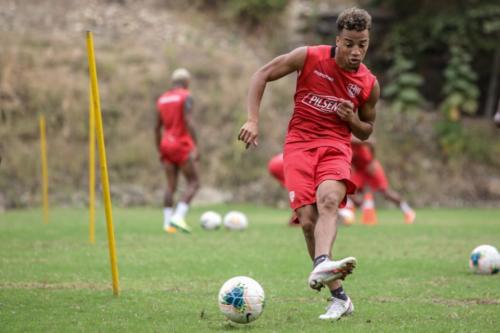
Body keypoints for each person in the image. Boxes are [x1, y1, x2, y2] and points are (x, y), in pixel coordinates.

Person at [238, 7, 379, 320]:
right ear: (337, 39)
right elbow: (261, 74)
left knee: (329, 201)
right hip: (299, 146)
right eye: (349, 43)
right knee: (307, 221)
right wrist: (253, 120)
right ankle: (340, 297)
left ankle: (323, 261)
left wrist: (352, 119)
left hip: (336, 147)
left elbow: (367, 131)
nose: (356, 52)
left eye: (363, 44)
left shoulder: (368, 83)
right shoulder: (309, 57)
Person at [155, 68, 200, 234]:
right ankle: (178, 216)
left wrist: (159, 149)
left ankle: (167, 224)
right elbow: (189, 121)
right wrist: (196, 146)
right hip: (181, 144)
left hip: (165, 145)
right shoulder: (186, 96)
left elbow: (156, 128)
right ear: (187, 82)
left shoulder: (162, 99)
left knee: (170, 186)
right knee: (194, 182)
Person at [349, 136, 416, 224]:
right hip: (358, 169)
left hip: (370, 166)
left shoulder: (352, 138)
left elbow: (372, 141)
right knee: (350, 191)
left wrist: (372, 161)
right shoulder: (340, 141)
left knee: (386, 192)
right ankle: (357, 212)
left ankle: (408, 211)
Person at [267, 153, 300, 226]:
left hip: (274, 163)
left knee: (294, 191)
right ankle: (296, 219)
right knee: (297, 191)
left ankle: (296, 217)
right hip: (281, 164)